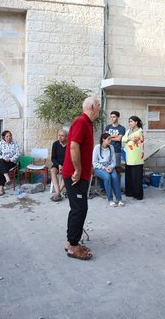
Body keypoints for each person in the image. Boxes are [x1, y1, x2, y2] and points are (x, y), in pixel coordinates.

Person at [62, 96, 100, 260]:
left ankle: (71, 242)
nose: (100, 107)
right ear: (92, 107)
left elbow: (83, 148)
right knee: (80, 209)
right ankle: (73, 246)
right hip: (74, 175)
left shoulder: (88, 124)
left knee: (77, 208)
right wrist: (77, 169)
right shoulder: (81, 122)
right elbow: (74, 146)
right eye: (98, 105)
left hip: (81, 174)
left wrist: (88, 167)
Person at [92, 133, 124, 207]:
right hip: (99, 168)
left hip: (110, 167)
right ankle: (110, 199)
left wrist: (110, 167)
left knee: (115, 177)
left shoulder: (111, 147)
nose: (110, 140)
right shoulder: (97, 148)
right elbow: (94, 162)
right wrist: (104, 168)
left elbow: (113, 161)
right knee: (107, 177)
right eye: (108, 139)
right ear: (103, 139)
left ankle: (119, 199)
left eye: (110, 139)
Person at [122, 115, 145, 200]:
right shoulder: (128, 131)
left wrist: (128, 139)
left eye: (131, 121)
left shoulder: (140, 132)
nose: (129, 123)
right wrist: (129, 139)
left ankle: (138, 195)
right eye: (129, 121)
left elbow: (128, 139)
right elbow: (123, 139)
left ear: (136, 122)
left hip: (137, 158)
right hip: (128, 157)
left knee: (136, 178)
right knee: (129, 177)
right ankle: (129, 192)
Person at [0, 130, 20, 196]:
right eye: (7, 136)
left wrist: (10, 159)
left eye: (10, 136)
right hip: (2, 161)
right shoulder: (1, 143)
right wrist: (3, 157)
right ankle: (7, 177)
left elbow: (18, 154)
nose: (9, 137)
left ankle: (1, 189)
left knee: (3, 168)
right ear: (4, 137)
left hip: (11, 162)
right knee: (2, 161)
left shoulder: (15, 143)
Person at [49, 130, 68, 201]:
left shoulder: (69, 145)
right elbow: (53, 158)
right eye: (59, 135)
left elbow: (71, 158)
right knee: (53, 170)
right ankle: (58, 192)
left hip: (67, 165)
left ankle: (57, 193)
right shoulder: (55, 144)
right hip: (57, 164)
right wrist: (59, 165)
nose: (60, 137)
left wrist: (64, 166)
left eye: (62, 136)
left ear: (66, 137)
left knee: (66, 173)